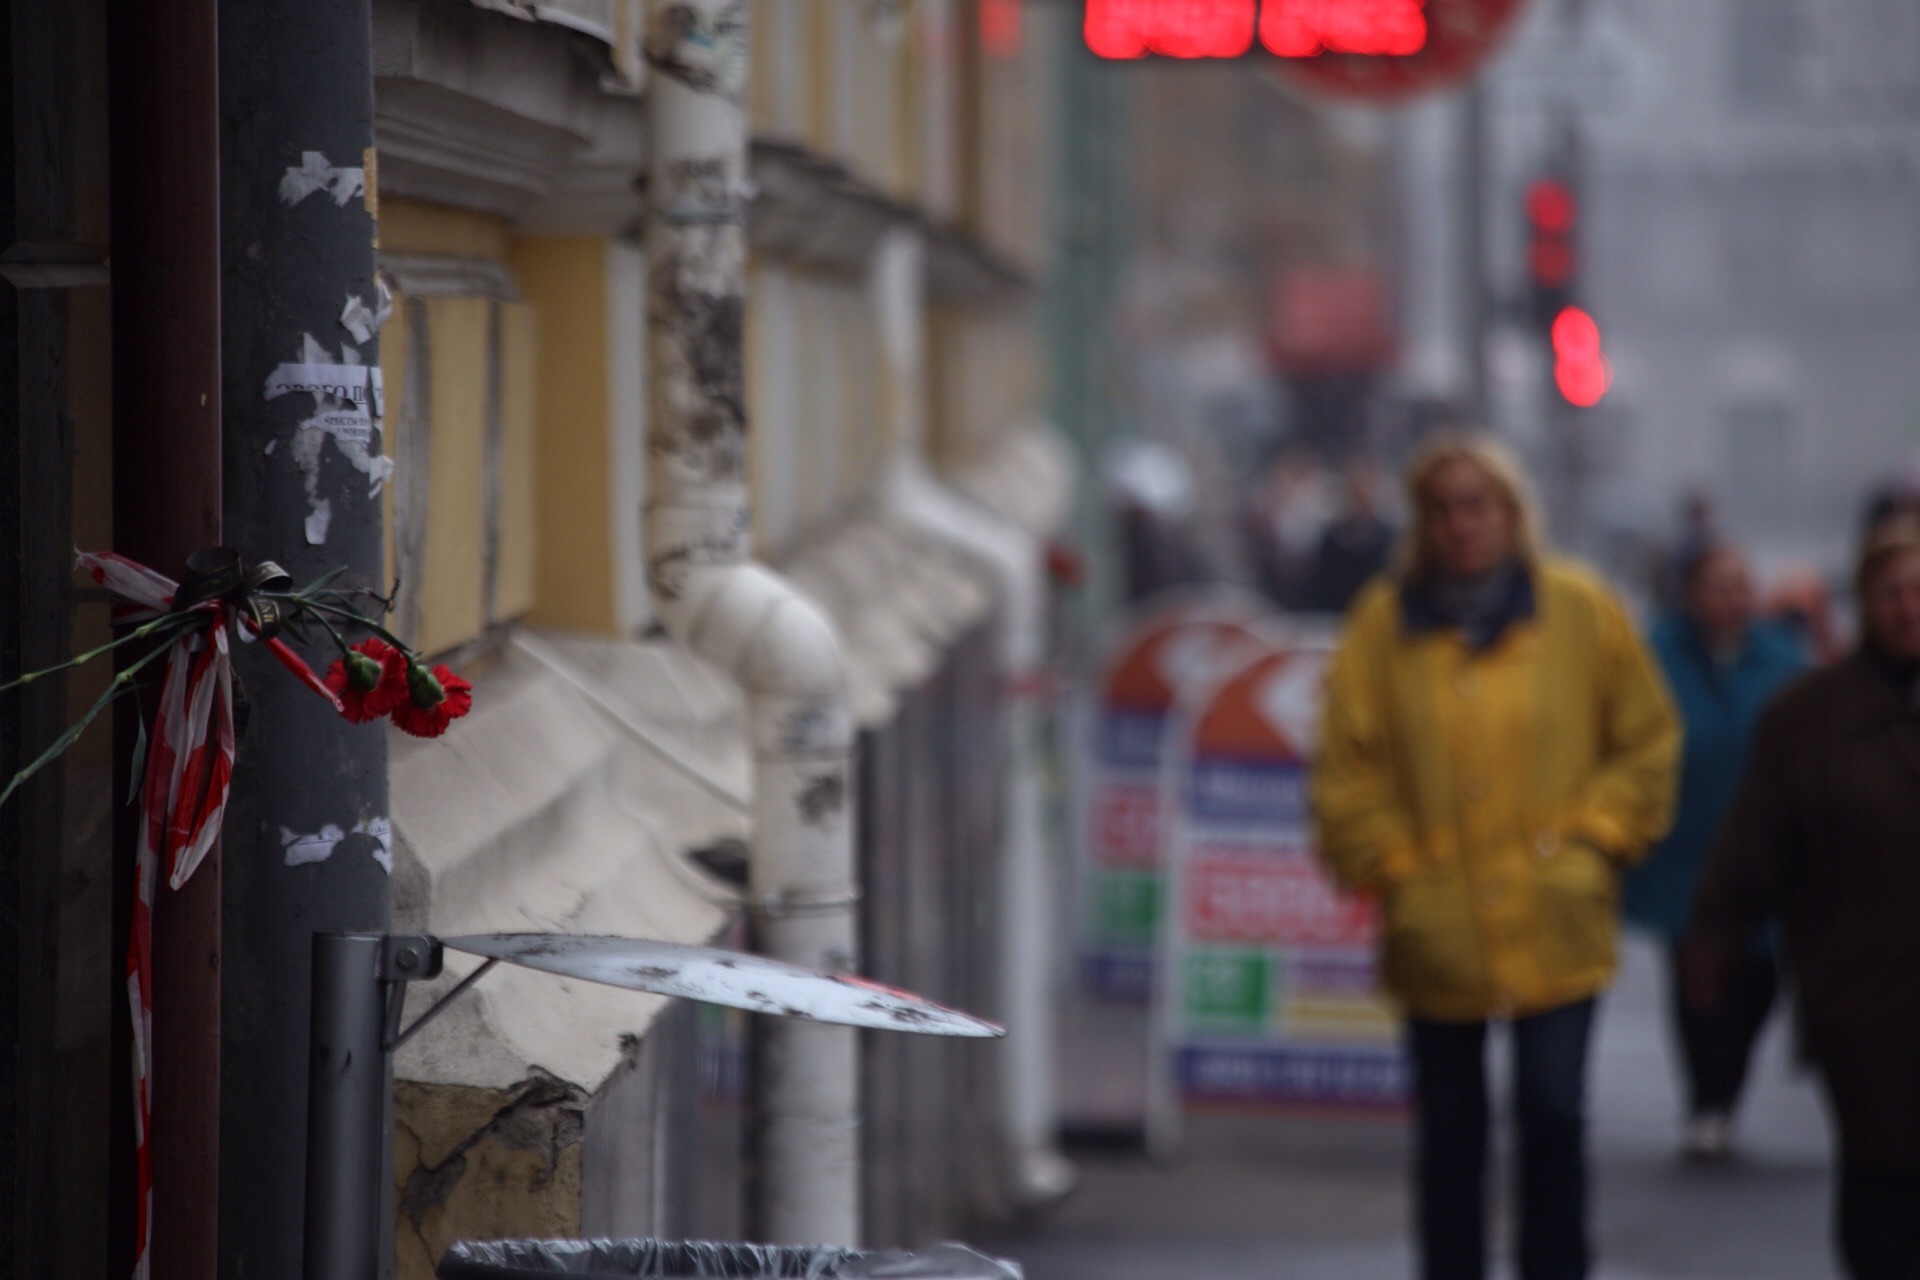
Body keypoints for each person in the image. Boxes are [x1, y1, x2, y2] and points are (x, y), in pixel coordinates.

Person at [1312, 434, 1679, 1280]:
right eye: (1441, 507)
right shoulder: (1383, 624)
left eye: (1477, 504)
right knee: (1451, 1135)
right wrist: (1392, 865)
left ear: (1512, 514)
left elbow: (1646, 739)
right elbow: (1345, 767)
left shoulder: (1580, 610)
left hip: (1557, 912)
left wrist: (1597, 837)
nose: (1459, 523)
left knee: (1553, 1114)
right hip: (1436, 917)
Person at [1685, 516, 1920, 1280]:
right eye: (1892, 593)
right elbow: (1757, 839)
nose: (1908, 608)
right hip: (1859, 988)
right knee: (1881, 1178)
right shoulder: (1805, 716)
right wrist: (1715, 937)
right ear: (1864, 601)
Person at [1623, 544, 1807, 1159]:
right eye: (1718, 586)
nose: (1732, 598)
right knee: (1696, 976)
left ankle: (1728, 1086)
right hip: (1684, 843)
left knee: (1758, 978)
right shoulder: (1655, 655)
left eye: (1741, 585)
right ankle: (1707, 1097)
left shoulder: (1782, 657)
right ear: (1691, 594)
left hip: (1763, 844)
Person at [1302, 459, 1396, 614]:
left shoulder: (1389, 540)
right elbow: (1318, 590)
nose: (1362, 507)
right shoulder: (1332, 540)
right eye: (1358, 498)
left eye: (1366, 500)